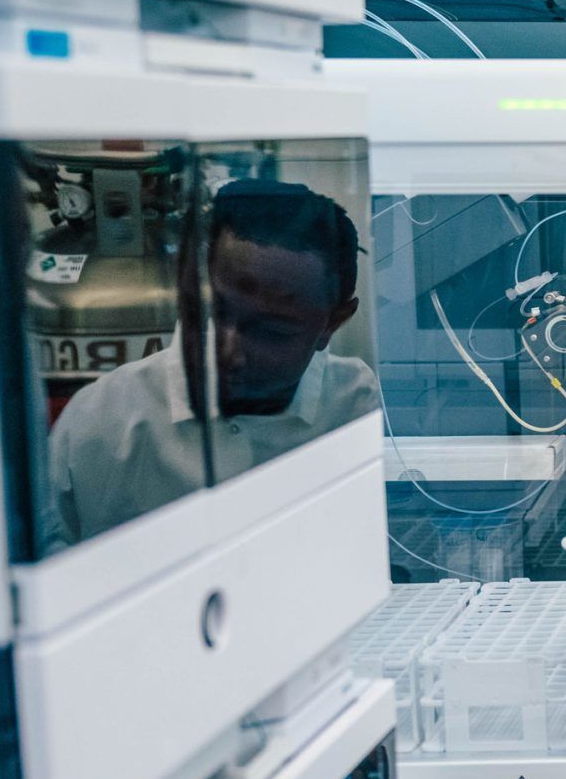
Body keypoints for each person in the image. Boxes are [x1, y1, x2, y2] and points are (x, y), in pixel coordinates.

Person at [46, 178, 378, 547]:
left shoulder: (354, 405)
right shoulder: (101, 422)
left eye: (271, 331)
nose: (229, 352)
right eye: (216, 314)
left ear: (331, 323)